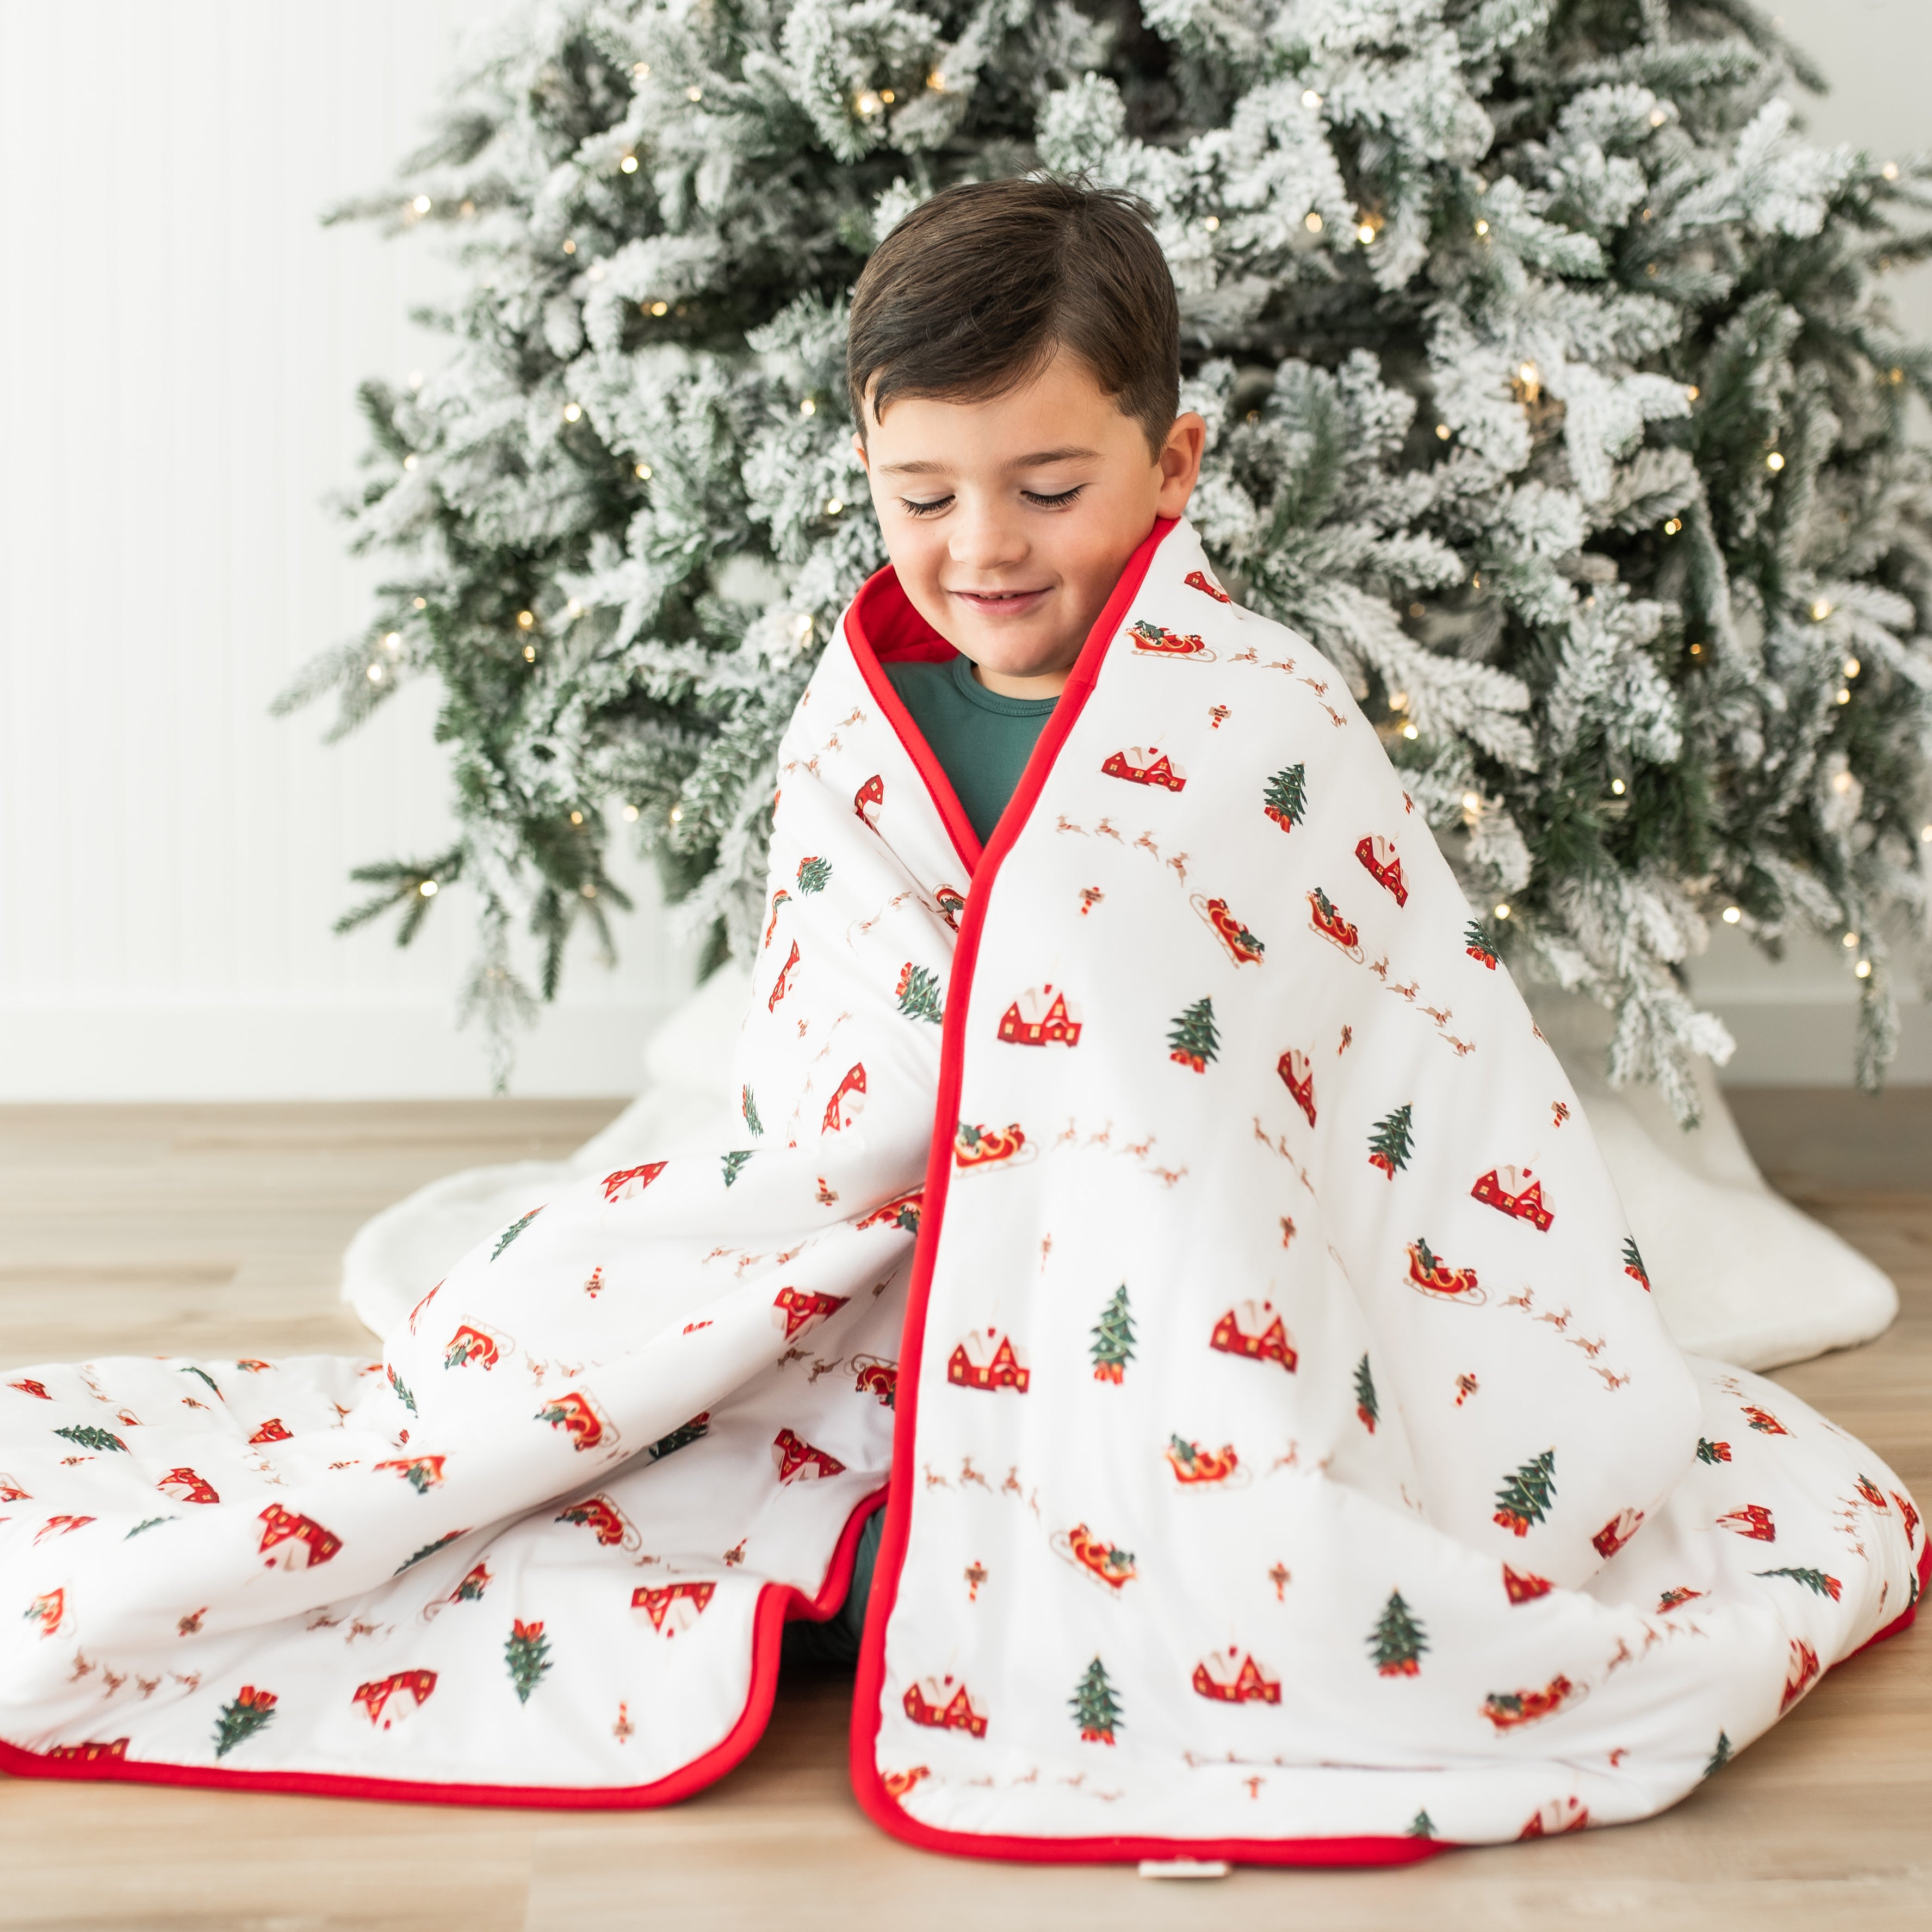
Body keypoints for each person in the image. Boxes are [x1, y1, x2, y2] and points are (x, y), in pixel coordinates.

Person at [1, 175, 1919, 1862]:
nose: (982, 546)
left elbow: (1377, 1048)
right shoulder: (864, 719)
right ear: (866, 472)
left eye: (1048, 488)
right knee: (559, 1389)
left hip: (1186, 1262)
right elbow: (825, 1040)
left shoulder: (1261, 719)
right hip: (889, 1257)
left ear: (1172, 469)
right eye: (921, 494)